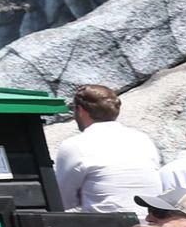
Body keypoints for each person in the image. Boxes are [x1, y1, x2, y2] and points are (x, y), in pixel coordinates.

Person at [50, 84, 163, 215]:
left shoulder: (75, 145)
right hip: (152, 225)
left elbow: (63, 201)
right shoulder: (143, 139)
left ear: (80, 110)